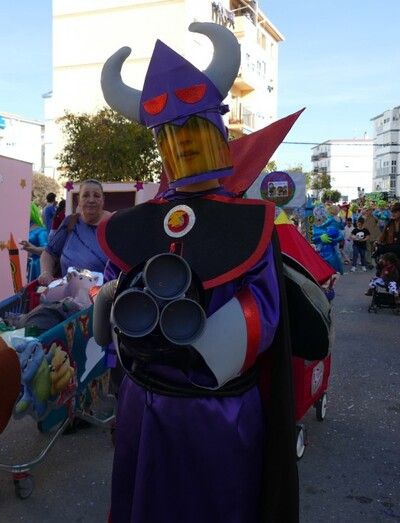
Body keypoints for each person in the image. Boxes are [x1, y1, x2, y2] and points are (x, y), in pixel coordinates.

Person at [96, 22, 300, 521]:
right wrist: (114, 312)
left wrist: (196, 347)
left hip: (214, 411)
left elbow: (262, 310)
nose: (184, 143)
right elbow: (113, 308)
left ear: (218, 129)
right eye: (171, 134)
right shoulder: (137, 223)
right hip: (144, 404)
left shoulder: (250, 222)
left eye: (194, 128)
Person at [38, 180, 110, 284]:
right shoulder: (70, 222)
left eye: (97, 196)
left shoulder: (113, 226)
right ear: (78, 200)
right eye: (85, 195)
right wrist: (46, 273)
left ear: (103, 200)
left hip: (104, 293)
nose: (91, 200)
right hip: (67, 292)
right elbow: (49, 253)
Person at [20, 202, 49, 283]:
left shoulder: (41, 231)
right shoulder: (21, 229)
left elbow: (47, 250)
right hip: (23, 266)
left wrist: (33, 249)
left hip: (35, 267)